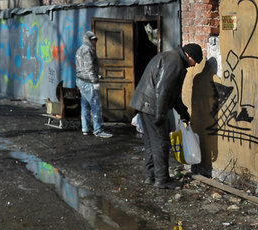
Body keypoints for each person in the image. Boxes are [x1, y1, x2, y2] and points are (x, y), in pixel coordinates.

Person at [129, 43, 203, 189]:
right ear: (189, 56)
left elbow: (172, 94)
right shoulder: (175, 63)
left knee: (151, 142)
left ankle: (151, 176)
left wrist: (183, 112)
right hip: (152, 106)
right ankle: (162, 179)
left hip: (145, 104)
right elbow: (163, 91)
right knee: (161, 143)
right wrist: (160, 115)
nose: (195, 65)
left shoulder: (172, 58)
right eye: (195, 61)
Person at [75, 31, 112, 138]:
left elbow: (82, 68)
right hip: (88, 82)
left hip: (81, 80)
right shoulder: (88, 50)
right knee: (96, 105)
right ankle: (98, 130)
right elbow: (89, 67)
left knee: (85, 105)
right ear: (89, 39)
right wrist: (95, 81)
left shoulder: (80, 49)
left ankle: (85, 128)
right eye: (94, 40)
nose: (95, 42)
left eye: (96, 40)